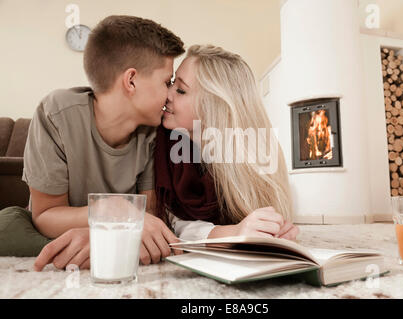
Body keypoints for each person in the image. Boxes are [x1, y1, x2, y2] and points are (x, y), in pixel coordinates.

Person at [0, 15, 186, 270]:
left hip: (117, 232)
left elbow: (149, 214)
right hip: (59, 229)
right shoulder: (56, 113)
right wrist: (116, 209)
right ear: (131, 80)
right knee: (9, 226)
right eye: (167, 82)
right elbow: (44, 217)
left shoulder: (154, 132)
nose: (170, 94)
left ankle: (97, 248)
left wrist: (110, 230)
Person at [154, 45, 299, 242]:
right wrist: (233, 233)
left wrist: (274, 228)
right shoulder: (159, 143)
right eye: (172, 84)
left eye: (180, 90)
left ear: (213, 106)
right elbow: (173, 225)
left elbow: (265, 218)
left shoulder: (252, 161)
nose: (167, 95)